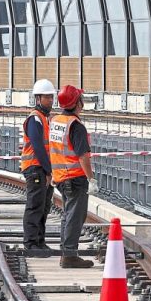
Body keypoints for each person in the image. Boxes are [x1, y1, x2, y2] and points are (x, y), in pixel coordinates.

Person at [48, 85, 97, 269]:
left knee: (68, 215)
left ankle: (66, 252)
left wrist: (54, 173)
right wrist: (91, 179)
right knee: (75, 216)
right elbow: (83, 155)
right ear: (77, 103)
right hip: (74, 178)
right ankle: (69, 255)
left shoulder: (56, 121)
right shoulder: (75, 126)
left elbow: (54, 149)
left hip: (61, 176)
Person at [21, 79, 56, 255]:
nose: (50, 100)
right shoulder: (35, 119)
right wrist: (49, 170)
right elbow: (38, 146)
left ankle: (40, 241)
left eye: (51, 97)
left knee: (44, 206)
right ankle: (30, 243)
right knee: (35, 205)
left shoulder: (45, 119)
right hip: (35, 167)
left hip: (42, 168)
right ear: (38, 98)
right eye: (47, 97)